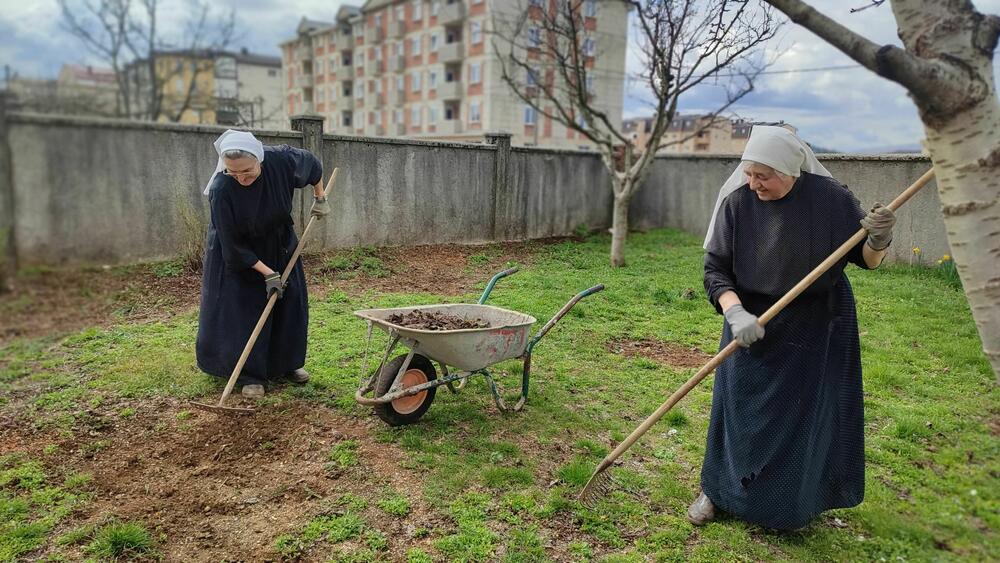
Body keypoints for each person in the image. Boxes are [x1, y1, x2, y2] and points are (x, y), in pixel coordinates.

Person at [691, 126, 896, 530]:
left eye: (763, 176)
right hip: (751, 320)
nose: (753, 184)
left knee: (803, 416)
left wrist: (879, 238)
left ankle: (790, 505)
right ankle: (718, 491)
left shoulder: (831, 200)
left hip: (815, 326)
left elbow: (868, 261)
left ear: (791, 171)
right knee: (737, 410)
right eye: (749, 173)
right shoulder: (737, 203)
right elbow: (715, 271)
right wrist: (735, 314)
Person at [196, 130, 331, 398]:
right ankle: (250, 375)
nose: (242, 179)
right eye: (234, 173)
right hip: (238, 253)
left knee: (289, 303)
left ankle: (287, 365)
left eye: (247, 171)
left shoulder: (281, 160)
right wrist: (268, 274)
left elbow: (313, 166)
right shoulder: (222, 190)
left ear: (259, 159)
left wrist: (320, 197)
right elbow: (232, 247)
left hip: (279, 243)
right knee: (245, 310)